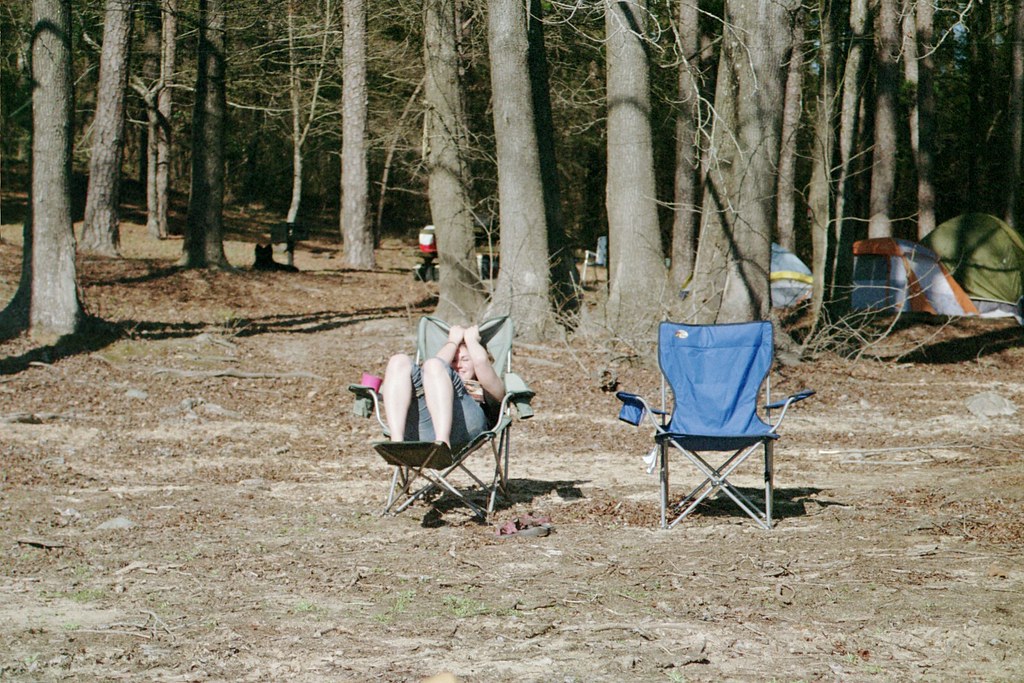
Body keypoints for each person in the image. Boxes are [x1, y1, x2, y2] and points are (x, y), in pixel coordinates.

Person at [380, 324, 505, 449]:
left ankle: (442, 444)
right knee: (398, 361)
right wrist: (453, 342)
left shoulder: (488, 384)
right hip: (424, 428)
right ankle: (397, 442)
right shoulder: (437, 376)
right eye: (453, 361)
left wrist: (471, 340)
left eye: (465, 360)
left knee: (434, 365)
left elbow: (481, 361)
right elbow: (435, 366)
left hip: (467, 429)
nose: (459, 365)